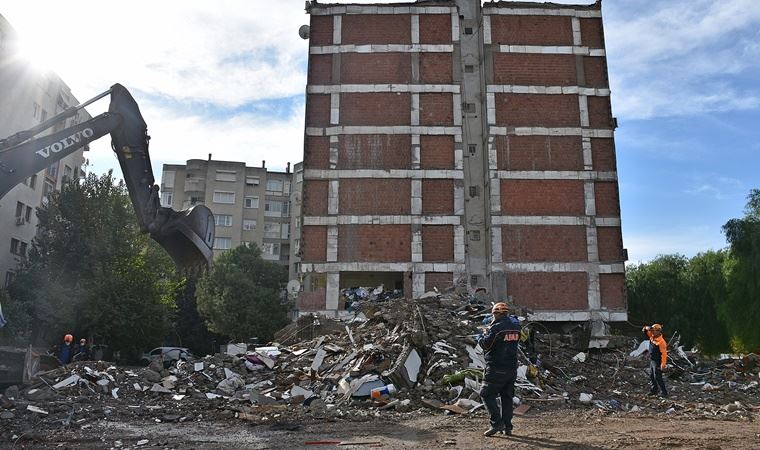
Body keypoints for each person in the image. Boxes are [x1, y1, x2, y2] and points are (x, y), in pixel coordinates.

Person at [479, 302, 521, 437]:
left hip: (496, 367)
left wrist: (481, 336)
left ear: (496, 314)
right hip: (511, 368)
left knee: (486, 393)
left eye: (493, 315)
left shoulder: (496, 328)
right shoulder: (516, 326)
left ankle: (497, 423)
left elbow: (487, 345)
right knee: (507, 397)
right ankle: (508, 426)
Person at [643, 323, 668, 397]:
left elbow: (664, 354)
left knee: (657, 377)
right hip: (652, 360)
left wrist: (663, 364)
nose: (652, 332)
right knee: (651, 376)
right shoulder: (652, 337)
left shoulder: (661, 342)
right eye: (652, 331)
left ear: (659, 331)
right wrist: (647, 328)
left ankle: (664, 392)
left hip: (657, 361)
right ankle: (654, 390)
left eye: (654, 331)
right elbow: (644, 330)